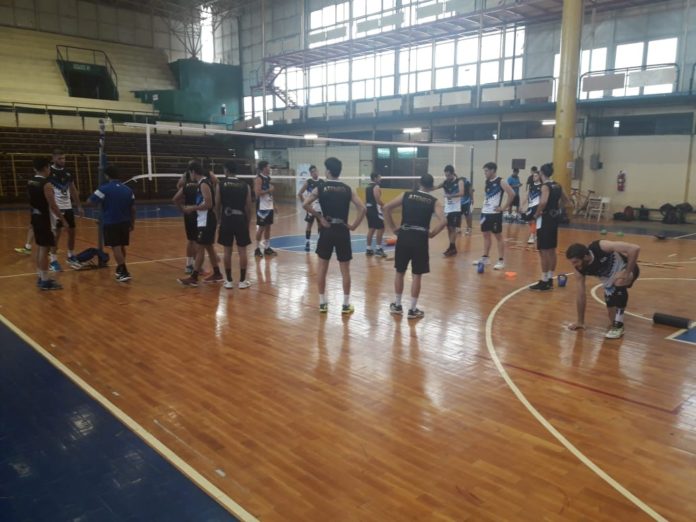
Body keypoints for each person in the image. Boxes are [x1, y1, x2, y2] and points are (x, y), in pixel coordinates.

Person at [302, 157, 366, 314]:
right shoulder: (347, 189)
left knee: (322, 267)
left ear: (328, 171)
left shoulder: (321, 187)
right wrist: (353, 226)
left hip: (327, 230)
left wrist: (320, 217)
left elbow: (305, 204)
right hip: (342, 230)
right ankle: (345, 305)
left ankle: (322, 303)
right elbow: (363, 208)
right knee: (345, 270)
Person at [383, 174, 446, 319]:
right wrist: (432, 234)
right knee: (417, 275)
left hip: (404, 236)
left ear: (419, 183)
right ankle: (412, 309)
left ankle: (397, 305)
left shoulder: (406, 195)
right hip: (420, 239)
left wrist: (393, 228)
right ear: (431, 186)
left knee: (400, 271)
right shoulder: (434, 201)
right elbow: (443, 221)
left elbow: (386, 208)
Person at [565, 240, 641, 339]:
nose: (575, 266)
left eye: (576, 262)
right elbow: (580, 295)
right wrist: (580, 321)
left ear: (585, 257)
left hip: (626, 269)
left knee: (619, 282)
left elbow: (634, 248)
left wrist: (626, 272)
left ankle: (619, 327)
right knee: (612, 319)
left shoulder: (600, 247)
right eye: (572, 263)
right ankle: (616, 322)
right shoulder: (579, 270)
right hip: (609, 283)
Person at [86, 165, 135, 282]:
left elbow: (89, 201)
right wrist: (132, 223)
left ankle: (123, 271)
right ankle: (120, 268)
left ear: (107, 176)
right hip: (125, 221)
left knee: (116, 246)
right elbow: (133, 209)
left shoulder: (104, 189)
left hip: (111, 222)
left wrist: (100, 204)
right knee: (121, 246)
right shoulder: (128, 189)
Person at [177, 162, 223, 286]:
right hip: (203, 219)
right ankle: (217, 273)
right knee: (209, 247)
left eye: (190, 172)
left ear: (193, 171)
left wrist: (192, 208)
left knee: (201, 247)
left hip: (207, 219)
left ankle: (194, 277)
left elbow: (209, 204)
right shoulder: (201, 183)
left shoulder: (203, 183)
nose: (189, 175)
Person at [28, 157, 68, 290]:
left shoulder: (31, 181)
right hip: (44, 219)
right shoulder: (46, 184)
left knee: (40, 248)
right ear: (46, 168)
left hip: (35, 216)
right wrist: (63, 220)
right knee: (44, 250)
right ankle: (45, 281)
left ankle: (41, 277)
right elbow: (53, 205)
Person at [529, 163, 569, 291]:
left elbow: (543, 202)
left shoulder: (545, 186)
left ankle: (544, 281)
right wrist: (557, 209)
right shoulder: (558, 185)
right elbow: (566, 201)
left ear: (541, 173)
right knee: (552, 250)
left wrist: (536, 214)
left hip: (545, 219)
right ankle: (550, 278)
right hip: (554, 219)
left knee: (544, 251)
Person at [216, 161, 252, 289]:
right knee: (242, 251)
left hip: (227, 219)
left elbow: (217, 204)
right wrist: (248, 222)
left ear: (226, 170)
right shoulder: (245, 185)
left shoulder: (220, 185)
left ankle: (229, 281)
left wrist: (219, 220)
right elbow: (248, 207)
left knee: (227, 251)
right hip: (240, 219)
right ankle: (242, 281)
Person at [471, 162, 515, 270]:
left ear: (493, 170)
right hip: (485, 213)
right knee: (486, 235)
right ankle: (485, 258)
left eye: (486, 171)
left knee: (498, 237)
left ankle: (501, 260)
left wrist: (503, 208)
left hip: (495, 214)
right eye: (484, 171)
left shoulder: (501, 181)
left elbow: (512, 194)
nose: (485, 173)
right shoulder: (487, 181)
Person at [48, 149, 83, 270]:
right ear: (53, 159)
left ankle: (71, 255)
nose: (62, 160)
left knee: (72, 232)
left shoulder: (68, 172)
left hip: (68, 207)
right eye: (60, 158)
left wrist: (79, 205)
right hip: (56, 208)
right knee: (56, 234)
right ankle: (53, 260)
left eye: (64, 158)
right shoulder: (49, 172)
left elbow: (73, 189)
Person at [172, 161, 200, 274]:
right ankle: (197, 266)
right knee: (197, 241)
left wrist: (182, 209)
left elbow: (176, 196)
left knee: (191, 240)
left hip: (188, 212)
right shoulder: (201, 184)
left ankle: (189, 265)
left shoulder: (186, 184)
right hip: (198, 212)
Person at [440, 165, 464, 256]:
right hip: (447, 209)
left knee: (453, 228)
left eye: (448, 175)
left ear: (453, 173)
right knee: (449, 228)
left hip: (455, 209)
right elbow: (435, 187)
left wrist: (450, 196)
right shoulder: (445, 182)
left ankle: (452, 247)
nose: (447, 177)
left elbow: (461, 193)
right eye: (446, 175)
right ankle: (452, 247)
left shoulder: (459, 181)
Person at [297, 165, 322, 252]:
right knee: (309, 225)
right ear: (310, 173)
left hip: (320, 208)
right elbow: (300, 193)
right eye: (313, 172)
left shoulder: (322, 182)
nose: (315, 173)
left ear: (318, 171)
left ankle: (320, 242)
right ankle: (307, 242)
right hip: (311, 208)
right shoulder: (308, 182)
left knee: (320, 225)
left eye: (316, 171)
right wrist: (305, 204)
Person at [254, 160, 276, 257]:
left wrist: (274, 205)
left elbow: (270, 194)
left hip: (269, 206)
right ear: (264, 168)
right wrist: (269, 190)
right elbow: (257, 193)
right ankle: (257, 249)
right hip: (262, 207)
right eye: (268, 167)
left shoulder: (268, 178)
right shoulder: (259, 179)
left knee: (268, 228)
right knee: (261, 228)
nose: (269, 168)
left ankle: (267, 248)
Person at [364, 172, 387, 257]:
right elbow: (377, 199)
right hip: (375, 210)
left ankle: (368, 249)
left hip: (369, 209)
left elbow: (366, 200)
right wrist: (384, 205)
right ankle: (378, 249)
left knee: (372, 228)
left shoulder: (367, 187)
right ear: (375, 178)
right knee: (381, 228)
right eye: (379, 177)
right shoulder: (376, 187)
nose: (380, 179)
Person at [521, 168, 542, 244]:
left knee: (533, 221)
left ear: (539, 177)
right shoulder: (531, 186)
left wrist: (541, 208)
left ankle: (532, 236)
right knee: (529, 221)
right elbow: (527, 196)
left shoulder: (542, 186)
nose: (534, 177)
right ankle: (534, 233)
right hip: (530, 206)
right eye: (533, 176)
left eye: (536, 176)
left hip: (537, 206)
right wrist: (522, 204)